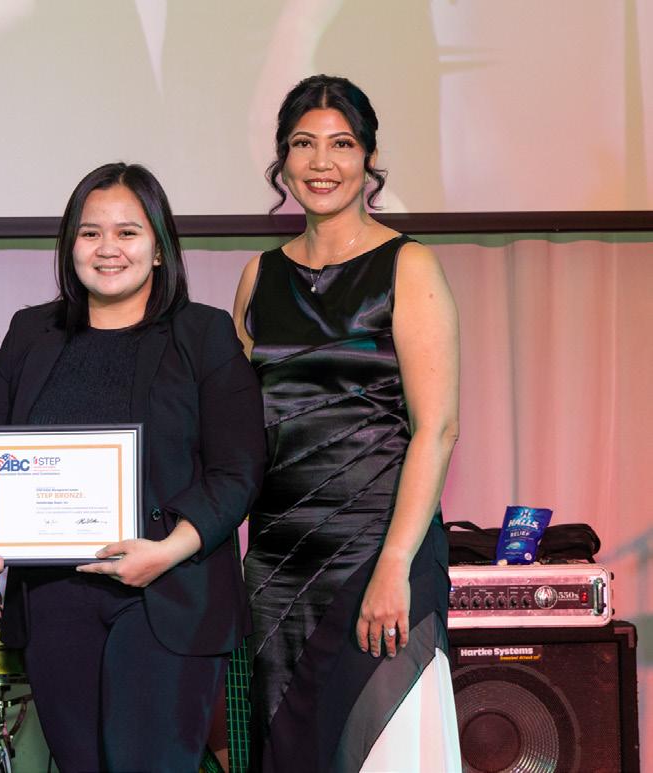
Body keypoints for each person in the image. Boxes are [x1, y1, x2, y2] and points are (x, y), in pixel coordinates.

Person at [0, 162, 266, 771]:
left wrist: (168, 550)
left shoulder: (203, 334)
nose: (107, 248)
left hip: (167, 594)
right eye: (90, 232)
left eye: (128, 232)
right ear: (69, 244)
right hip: (54, 604)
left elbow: (239, 470)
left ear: (159, 248)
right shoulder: (29, 333)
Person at [233, 74, 461, 772]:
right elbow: (238, 431)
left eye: (341, 144)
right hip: (277, 564)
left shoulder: (409, 265)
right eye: (303, 143)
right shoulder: (258, 276)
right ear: (282, 158)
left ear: (369, 158)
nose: (321, 162)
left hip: (381, 550)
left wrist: (395, 565)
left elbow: (437, 428)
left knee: (388, 751)